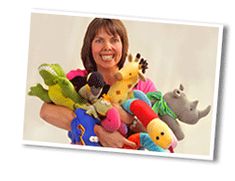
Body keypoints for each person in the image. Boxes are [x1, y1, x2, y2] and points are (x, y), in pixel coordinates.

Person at [40, 18, 157, 148]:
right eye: (99, 40)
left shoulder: (142, 86)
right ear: (89, 46)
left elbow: (162, 134)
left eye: (114, 40)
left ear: (123, 45)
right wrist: (98, 131)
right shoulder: (78, 79)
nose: (107, 46)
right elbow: (46, 112)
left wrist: (128, 119)